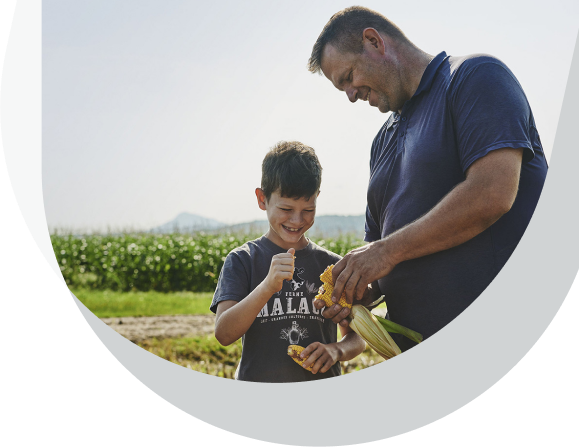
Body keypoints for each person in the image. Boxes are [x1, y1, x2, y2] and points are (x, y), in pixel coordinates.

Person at [307, 6, 548, 352]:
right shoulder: (381, 142)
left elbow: (492, 193)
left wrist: (385, 253)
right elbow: (382, 259)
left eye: (348, 76)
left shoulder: (475, 77)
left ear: (374, 41)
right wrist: (356, 290)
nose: (350, 95)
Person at [210, 141, 365, 382]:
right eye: (286, 208)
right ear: (262, 199)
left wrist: (336, 350)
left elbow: (357, 337)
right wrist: (267, 287)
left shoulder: (333, 266)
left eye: (308, 209)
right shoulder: (242, 260)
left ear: (317, 199)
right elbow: (223, 333)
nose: (296, 220)